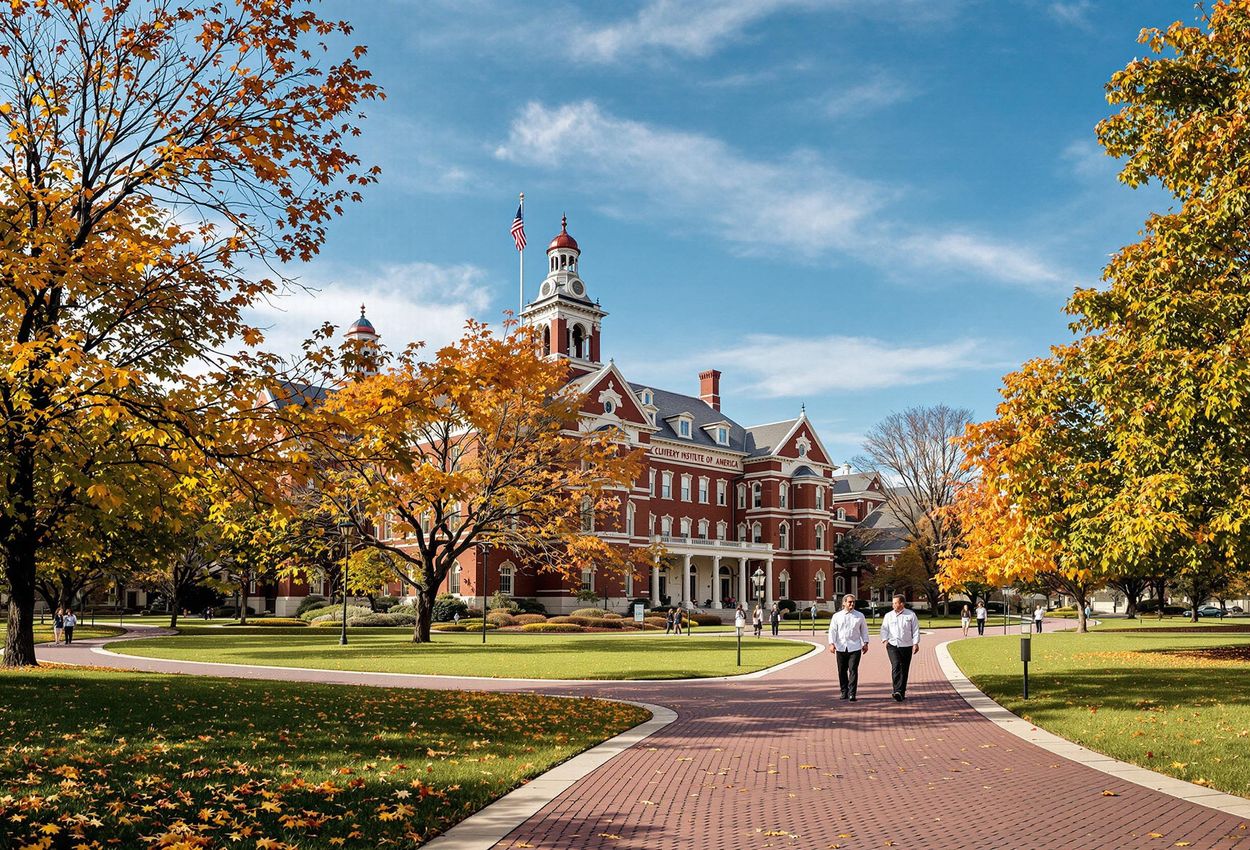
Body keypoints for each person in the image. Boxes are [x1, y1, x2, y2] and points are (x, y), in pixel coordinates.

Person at [827, 593, 869, 701]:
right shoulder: (837, 616)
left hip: (854, 647)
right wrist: (831, 644)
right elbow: (832, 631)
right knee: (842, 671)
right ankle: (844, 691)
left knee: (853, 670)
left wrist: (865, 643)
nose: (852, 604)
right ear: (844, 603)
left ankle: (852, 693)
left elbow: (864, 630)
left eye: (853, 602)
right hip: (841, 647)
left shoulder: (859, 616)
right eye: (850, 602)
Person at [880, 594, 920, 701]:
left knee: (904, 668)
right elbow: (884, 629)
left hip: (906, 645)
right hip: (892, 645)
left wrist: (915, 643)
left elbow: (915, 630)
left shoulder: (910, 615)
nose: (893, 605)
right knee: (896, 665)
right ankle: (896, 690)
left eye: (895, 603)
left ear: (901, 604)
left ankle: (901, 692)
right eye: (893, 603)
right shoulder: (888, 615)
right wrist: (885, 640)